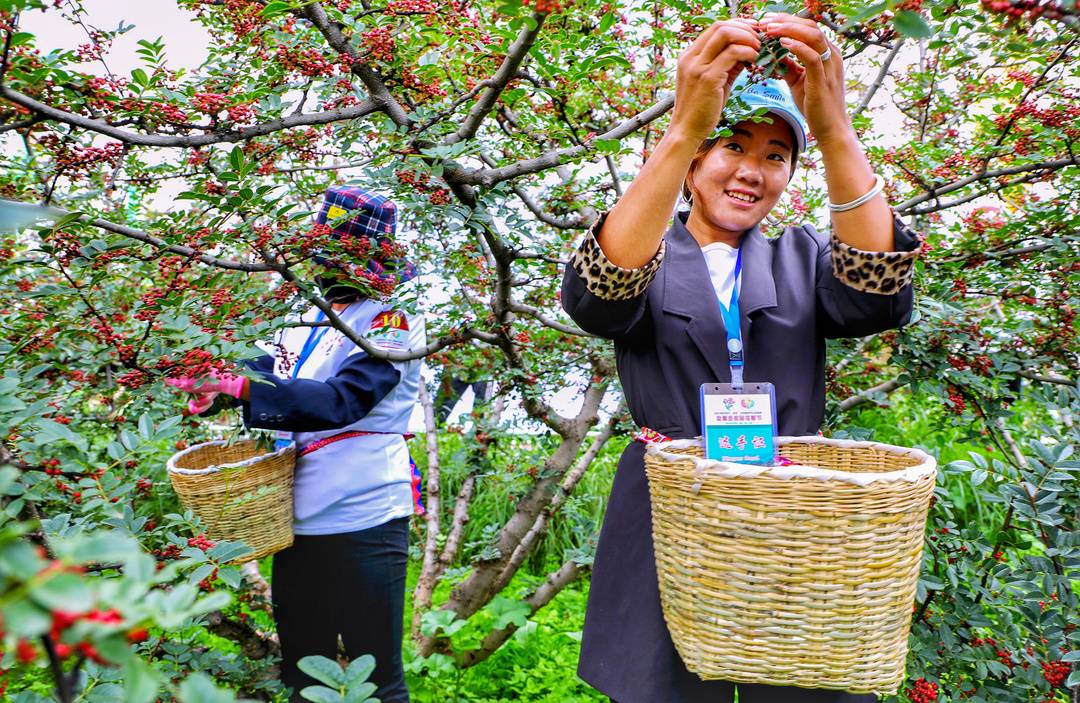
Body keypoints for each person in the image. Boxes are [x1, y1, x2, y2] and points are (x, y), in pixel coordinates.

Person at [561, 14, 920, 703]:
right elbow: (599, 293)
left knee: (799, 684)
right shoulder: (647, 251)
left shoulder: (803, 254)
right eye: (733, 145)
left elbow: (877, 285)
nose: (753, 171)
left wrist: (834, 125)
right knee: (667, 687)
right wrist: (682, 126)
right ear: (695, 160)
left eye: (776, 155)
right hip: (672, 504)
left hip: (791, 508)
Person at [167, 186, 424, 703]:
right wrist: (215, 390)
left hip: (364, 518)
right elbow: (265, 374)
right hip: (296, 521)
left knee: (377, 680)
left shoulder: (390, 318)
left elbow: (342, 400)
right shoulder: (303, 311)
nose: (321, 264)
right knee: (304, 672)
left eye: (334, 253)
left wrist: (242, 388)